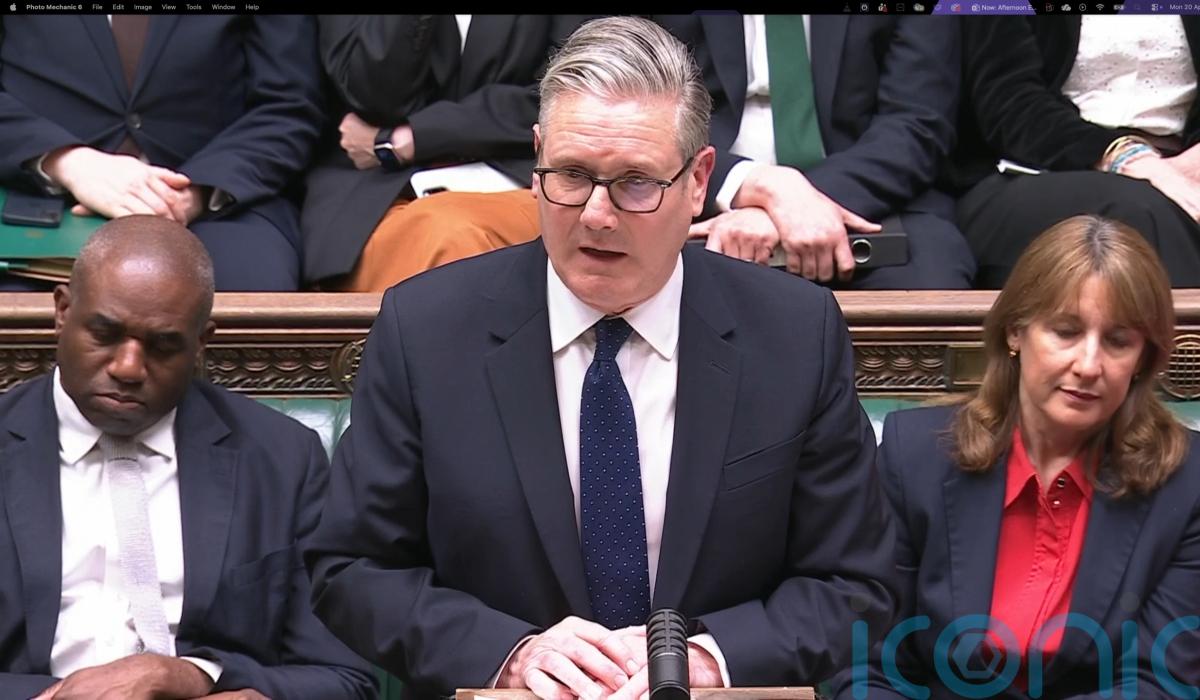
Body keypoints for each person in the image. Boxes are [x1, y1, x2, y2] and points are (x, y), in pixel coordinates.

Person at [305, 16, 896, 700]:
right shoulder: (426, 330)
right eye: (572, 176)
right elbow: (351, 568)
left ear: (698, 181)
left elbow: (855, 581)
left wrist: (710, 662)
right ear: (537, 161)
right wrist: (509, 655)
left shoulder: (794, 335)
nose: (595, 214)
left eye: (636, 183)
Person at [0, 217, 376, 699]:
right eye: (105, 333)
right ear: (62, 311)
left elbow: (346, 680)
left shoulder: (282, 459)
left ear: (201, 342)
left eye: (163, 345)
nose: (128, 368)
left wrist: (192, 676)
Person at [832, 216, 1200, 699]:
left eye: (1118, 341)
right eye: (1065, 331)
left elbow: (1160, 682)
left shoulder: (1186, 484)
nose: (1089, 365)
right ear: (1014, 333)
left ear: (1142, 360)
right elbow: (865, 664)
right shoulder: (915, 456)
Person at [0, 15, 325, 291]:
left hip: (219, 198)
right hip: (33, 189)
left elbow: (288, 106)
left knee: (251, 309)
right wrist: (69, 163)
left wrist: (187, 195)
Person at [654, 14, 974, 289]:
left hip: (868, 194)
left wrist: (792, 205)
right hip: (694, 192)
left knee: (932, 279)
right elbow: (629, 105)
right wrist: (751, 184)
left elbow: (918, 121)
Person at [301, 15, 589, 290]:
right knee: (440, 242)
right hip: (377, 189)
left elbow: (572, 91)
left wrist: (418, 137)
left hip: (522, 173)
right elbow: (371, 94)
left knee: (455, 239)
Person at [951, 16, 1200, 288]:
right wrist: (1128, 157)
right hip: (1038, 168)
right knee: (1140, 210)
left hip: (1178, 164)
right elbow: (1010, 104)